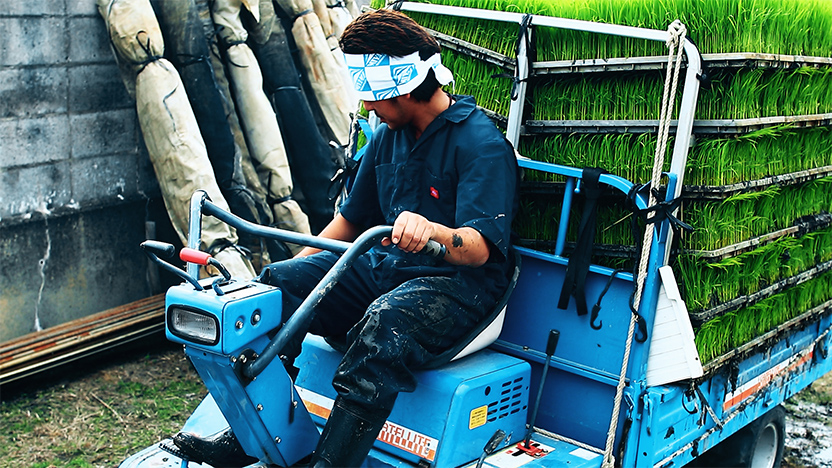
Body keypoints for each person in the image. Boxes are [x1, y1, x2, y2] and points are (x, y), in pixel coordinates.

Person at [173, 8, 519, 467]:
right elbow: (349, 222)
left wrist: (433, 231)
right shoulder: (388, 136)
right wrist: (302, 273)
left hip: (459, 288)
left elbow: (479, 249)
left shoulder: (481, 144)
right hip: (391, 270)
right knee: (276, 286)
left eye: (373, 96)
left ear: (404, 85)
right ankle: (253, 434)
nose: (367, 107)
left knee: (386, 322)